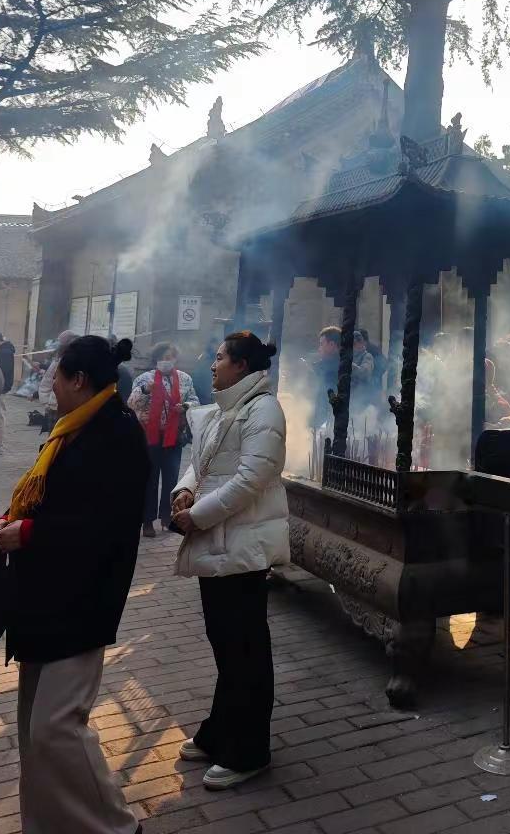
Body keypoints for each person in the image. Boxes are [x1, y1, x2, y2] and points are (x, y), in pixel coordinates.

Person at [0, 334, 148, 834]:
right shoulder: (73, 427)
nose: (50, 385)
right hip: (42, 594)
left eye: (56, 375)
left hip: (82, 599)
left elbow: (105, 524)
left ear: (79, 380)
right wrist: (9, 520)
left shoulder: (117, 432)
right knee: (33, 728)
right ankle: (45, 823)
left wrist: (29, 533)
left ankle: (118, 826)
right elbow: (47, 495)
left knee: (57, 728)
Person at [171, 329, 289, 791]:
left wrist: (198, 515)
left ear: (241, 365)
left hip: (242, 547)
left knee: (245, 648)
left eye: (220, 357)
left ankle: (250, 749)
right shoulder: (226, 408)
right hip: (217, 543)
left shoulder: (264, 409)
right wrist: (185, 490)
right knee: (225, 643)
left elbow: (251, 478)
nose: (213, 363)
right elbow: (200, 462)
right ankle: (221, 730)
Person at [130, 341, 200, 538]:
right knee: (149, 480)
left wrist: (185, 406)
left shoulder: (185, 379)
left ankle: (167, 518)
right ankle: (147, 521)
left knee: (171, 479)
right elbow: (131, 403)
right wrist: (145, 390)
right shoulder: (145, 378)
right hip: (149, 438)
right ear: (156, 360)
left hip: (174, 437)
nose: (165, 361)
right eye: (162, 358)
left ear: (175, 359)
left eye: (169, 357)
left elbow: (195, 401)